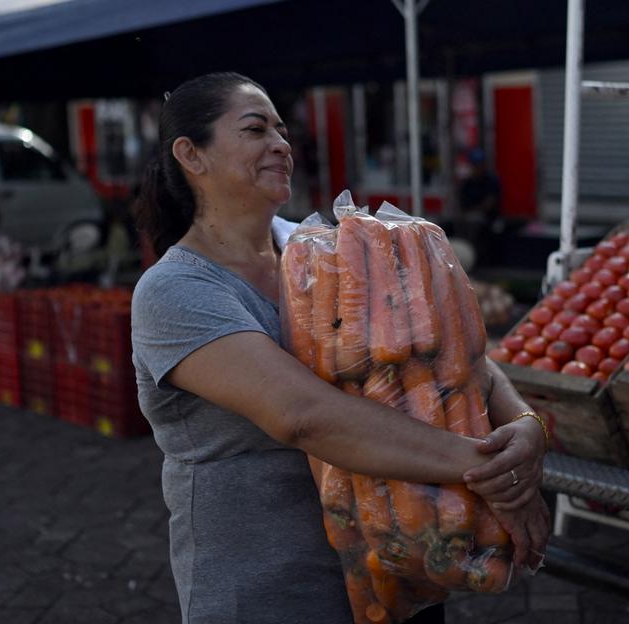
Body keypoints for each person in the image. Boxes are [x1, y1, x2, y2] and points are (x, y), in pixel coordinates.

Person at [130, 72, 550, 624]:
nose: (280, 143)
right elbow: (302, 416)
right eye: (255, 129)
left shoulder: (327, 251)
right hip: (275, 588)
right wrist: (492, 474)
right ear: (191, 154)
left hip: (399, 569)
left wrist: (522, 425)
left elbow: (455, 357)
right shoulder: (176, 291)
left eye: (282, 130)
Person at [457, 148, 501, 265]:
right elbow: (462, 204)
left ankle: (481, 261)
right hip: (469, 216)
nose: (477, 168)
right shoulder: (467, 183)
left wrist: (477, 210)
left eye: (479, 165)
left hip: (488, 218)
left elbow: (490, 202)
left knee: (478, 227)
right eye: (475, 165)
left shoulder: (491, 180)